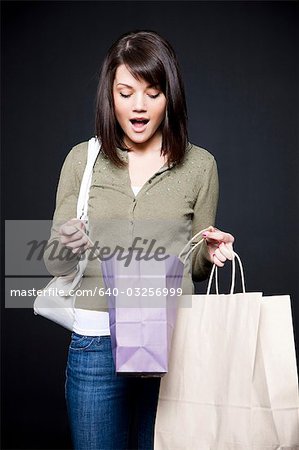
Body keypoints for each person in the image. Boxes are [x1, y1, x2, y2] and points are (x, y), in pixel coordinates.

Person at [43, 29, 235, 450]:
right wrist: (66, 244)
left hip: (173, 344)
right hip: (96, 342)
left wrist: (211, 250)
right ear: (110, 95)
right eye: (126, 92)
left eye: (152, 92)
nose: (139, 106)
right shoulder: (82, 160)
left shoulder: (200, 166)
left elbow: (195, 268)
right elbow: (55, 265)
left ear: (171, 96)